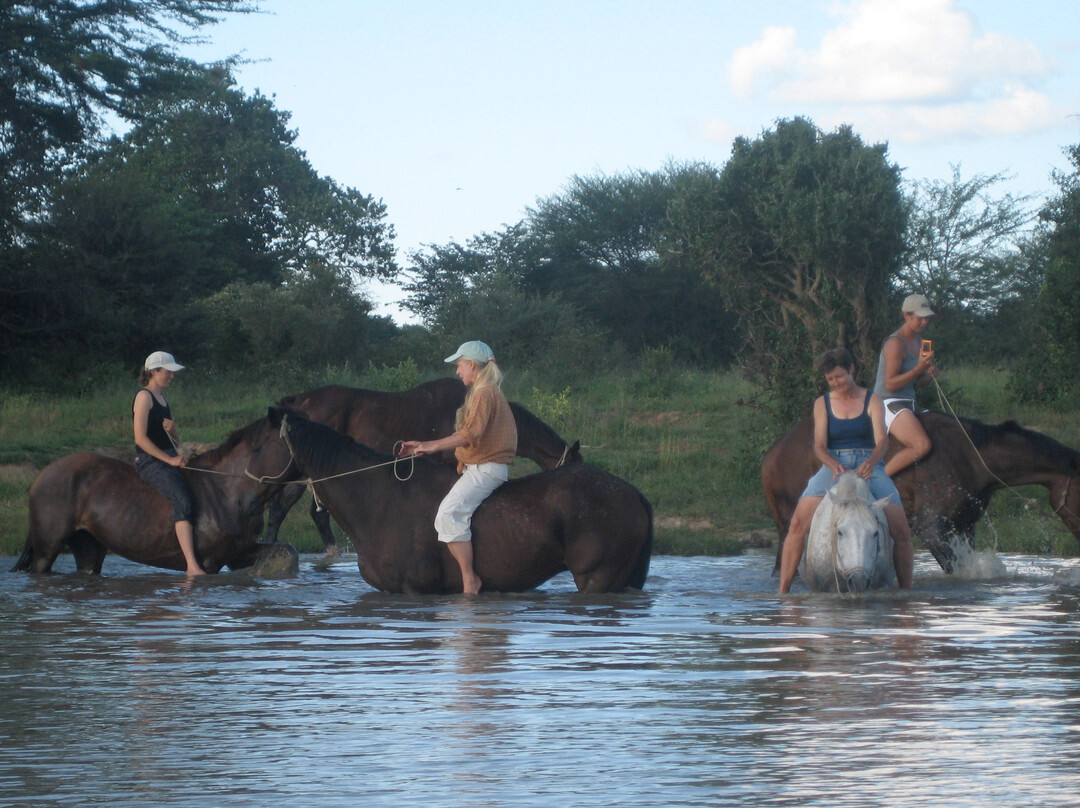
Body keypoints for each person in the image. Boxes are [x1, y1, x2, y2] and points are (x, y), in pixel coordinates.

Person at [779, 348, 914, 594]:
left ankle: (906, 592)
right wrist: (832, 464)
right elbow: (819, 446)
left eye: (839, 376)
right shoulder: (822, 403)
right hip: (834, 464)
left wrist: (871, 462)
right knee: (797, 523)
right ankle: (783, 592)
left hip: (868, 465)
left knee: (901, 529)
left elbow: (882, 441)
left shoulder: (872, 400)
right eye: (830, 379)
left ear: (851, 370)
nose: (836, 383)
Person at [399, 341, 517, 594]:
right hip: (480, 467)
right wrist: (423, 444)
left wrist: (430, 447)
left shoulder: (485, 393)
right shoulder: (486, 391)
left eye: (459, 365)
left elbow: (470, 434)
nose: (457, 371)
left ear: (472, 364)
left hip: (486, 469)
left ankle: (469, 579)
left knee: (447, 515)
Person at [133, 351, 205, 576]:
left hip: (166, 456)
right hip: (149, 462)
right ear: (154, 372)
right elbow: (140, 439)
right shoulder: (144, 397)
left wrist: (174, 432)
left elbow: (173, 442)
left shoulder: (163, 400)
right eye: (168, 372)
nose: (172, 376)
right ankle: (191, 566)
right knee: (183, 501)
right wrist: (169, 460)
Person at [873, 293, 938, 477]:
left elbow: (917, 384)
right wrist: (919, 370)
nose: (924, 323)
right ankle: (878, 480)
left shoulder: (919, 342)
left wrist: (929, 374)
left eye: (927, 318)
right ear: (906, 316)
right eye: (920, 318)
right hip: (887, 401)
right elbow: (891, 384)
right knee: (922, 445)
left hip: (909, 401)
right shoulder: (895, 343)